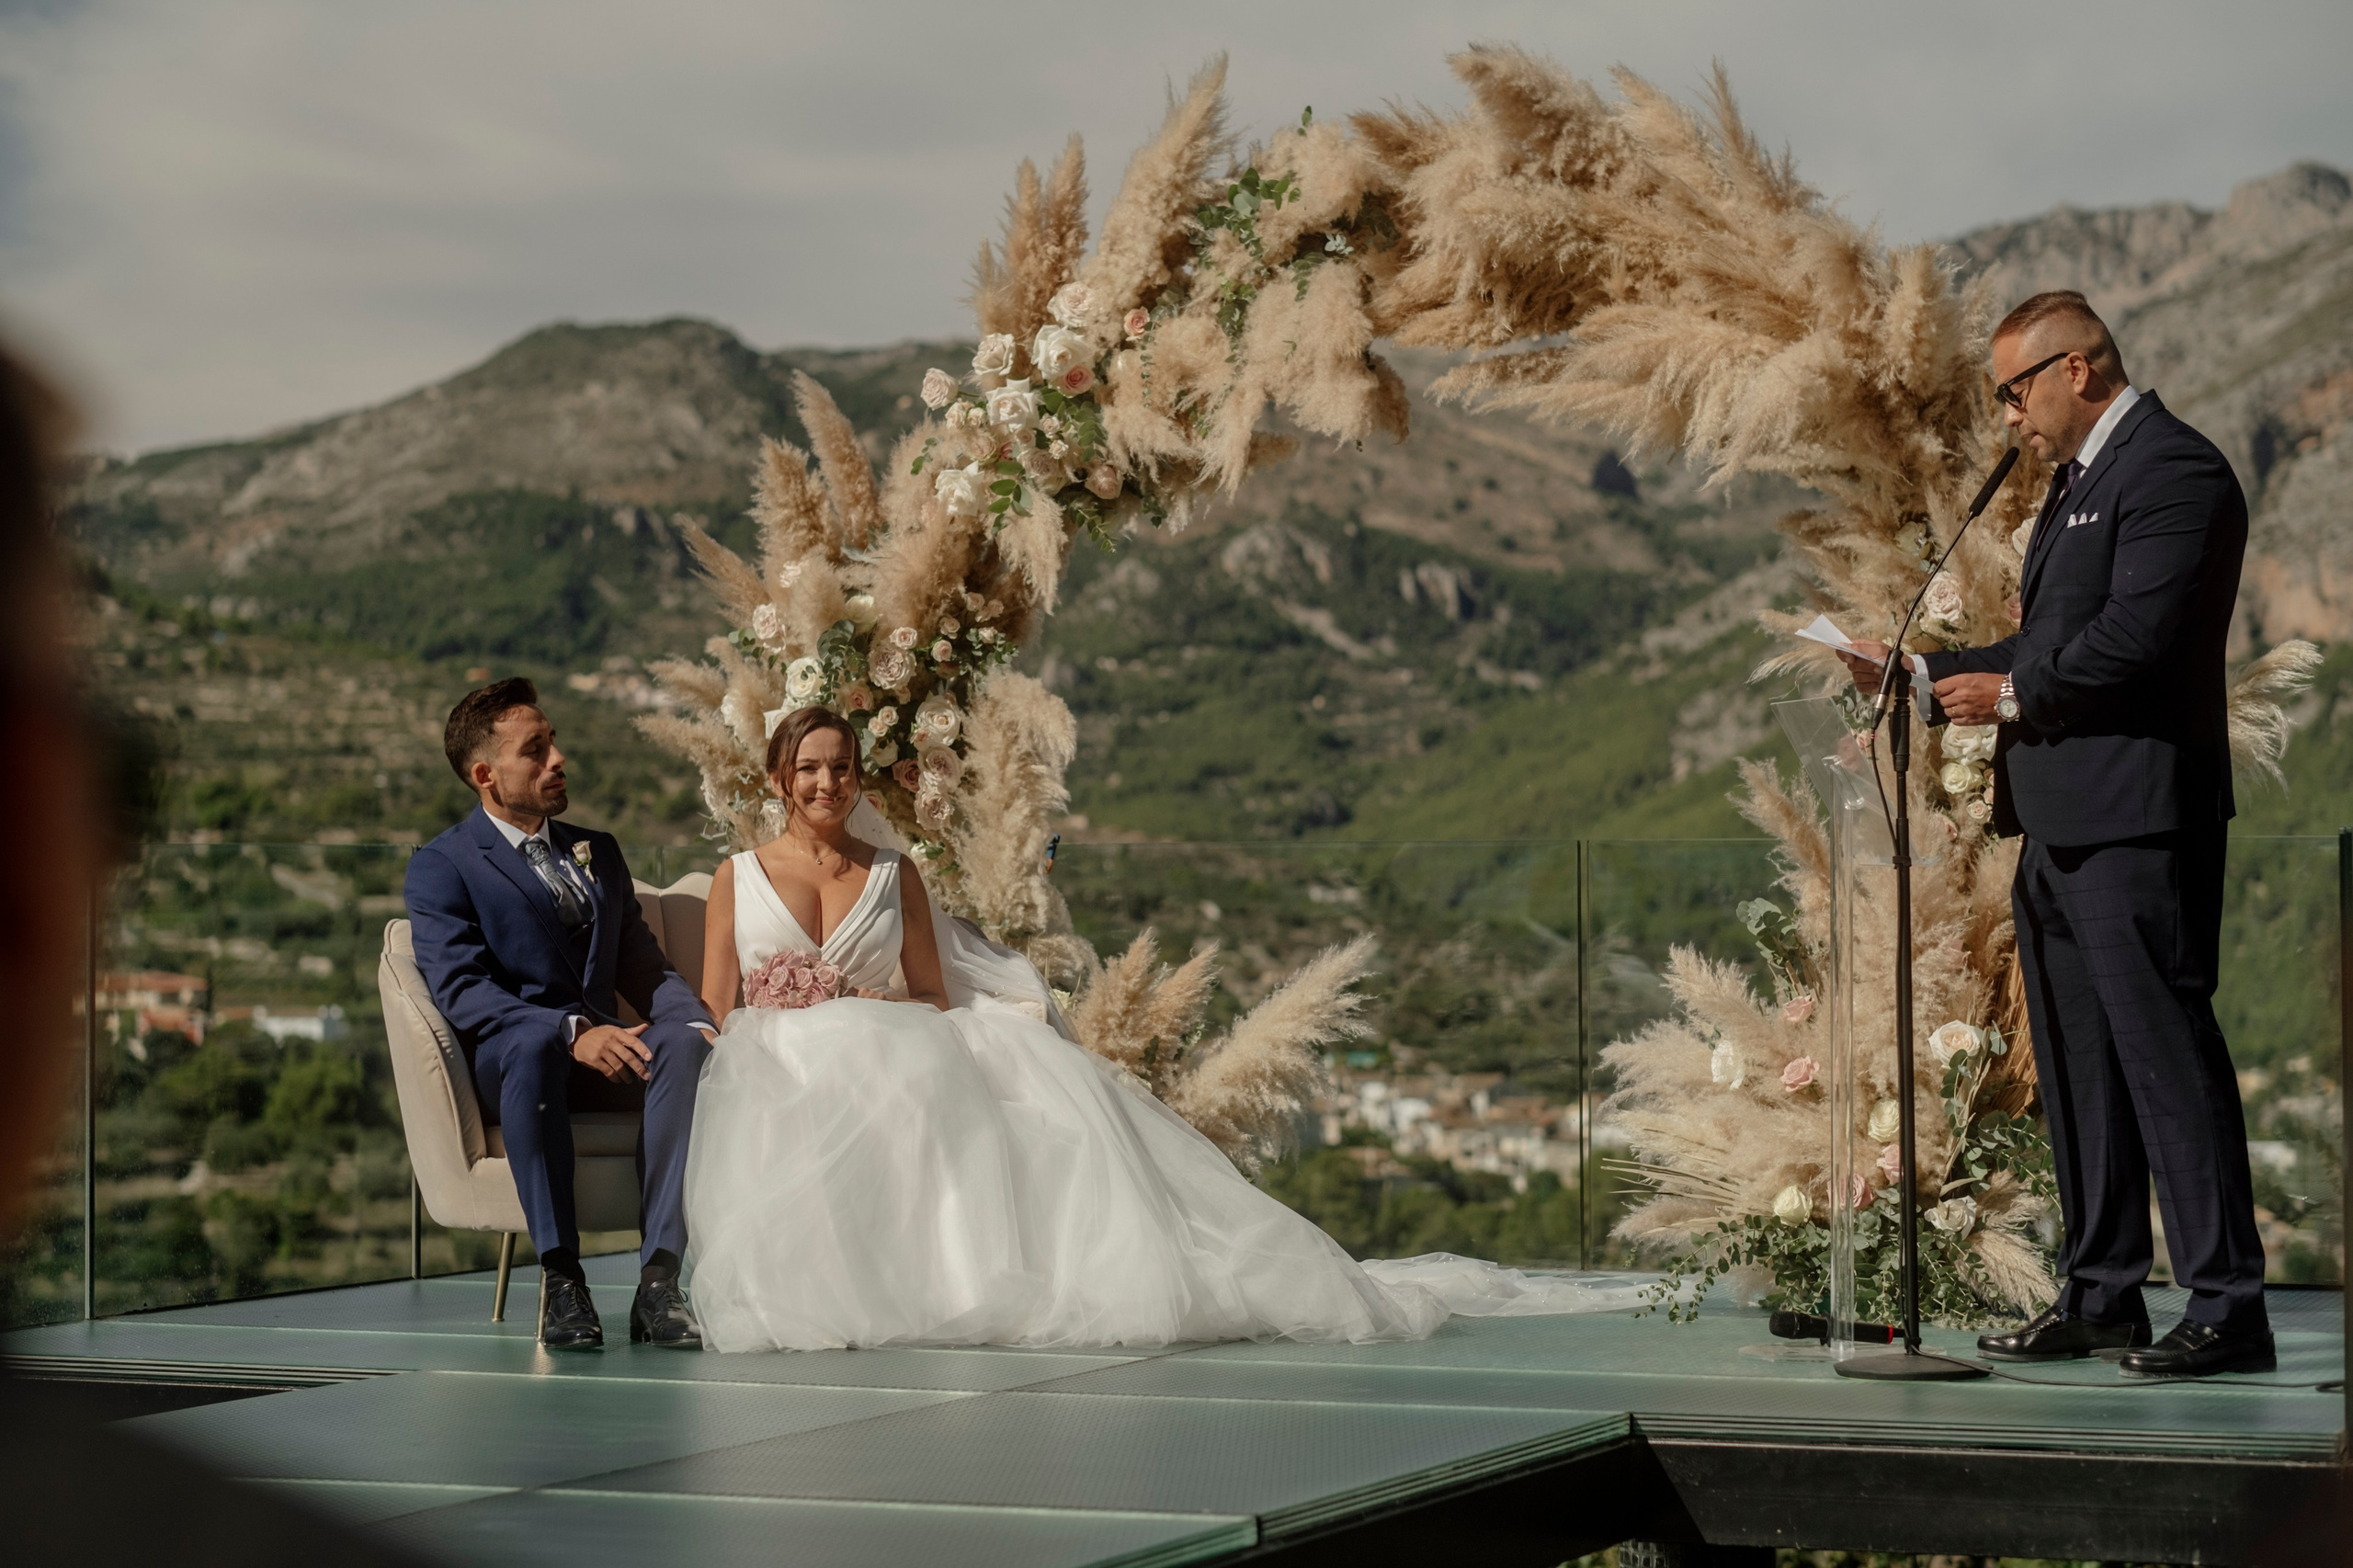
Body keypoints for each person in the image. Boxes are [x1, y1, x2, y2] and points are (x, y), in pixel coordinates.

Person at [679, 706, 1643, 1353]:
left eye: (841, 767)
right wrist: (785, 1014)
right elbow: (719, 1005)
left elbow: (933, 995)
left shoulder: (894, 877)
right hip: (777, 1058)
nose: (827, 783)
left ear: (858, 778)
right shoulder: (737, 875)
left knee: (932, 1075)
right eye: (808, 768)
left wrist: (853, 1004)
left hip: (888, 1043)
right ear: (777, 776)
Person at [1844, 290, 2268, 1378]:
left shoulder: (2174, 469)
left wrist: (2014, 696)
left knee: (2165, 1061)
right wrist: (1923, 676)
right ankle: (2101, 1292)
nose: (2010, 417)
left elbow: (2140, 638)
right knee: (2079, 1068)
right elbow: (2054, 638)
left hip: (2136, 820)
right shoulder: (2080, 485)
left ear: (2078, 368)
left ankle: (2227, 1304)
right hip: (2058, 824)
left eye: (2016, 389)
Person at [404, 680, 715, 1350]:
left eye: (554, 743)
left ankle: (659, 1283)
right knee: (530, 1048)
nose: (558, 759)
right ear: (485, 775)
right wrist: (569, 1030)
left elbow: (645, 968)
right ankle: (562, 1280)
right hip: (518, 1058)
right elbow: (462, 990)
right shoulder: (442, 866)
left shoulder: (598, 851)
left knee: (685, 1047)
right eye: (536, 750)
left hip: (609, 1052)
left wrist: (699, 1022)